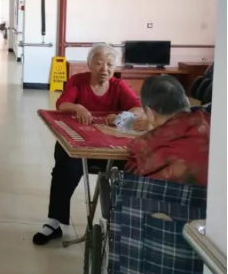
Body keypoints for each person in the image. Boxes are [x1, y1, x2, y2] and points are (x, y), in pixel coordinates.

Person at [33, 43, 144, 246]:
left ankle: (121, 222)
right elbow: (62, 104)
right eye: (99, 63)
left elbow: (138, 108)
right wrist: (77, 107)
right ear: (89, 64)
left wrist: (121, 116)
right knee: (65, 167)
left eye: (109, 64)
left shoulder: (119, 86)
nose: (104, 69)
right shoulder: (78, 81)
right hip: (79, 147)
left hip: (108, 149)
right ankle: (54, 222)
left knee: (133, 167)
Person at [126, 76, 209, 186]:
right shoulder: (211, 122)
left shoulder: (142, 146)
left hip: (168, 196)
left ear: (150, 113)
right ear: (187, 101)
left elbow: (130, 180)